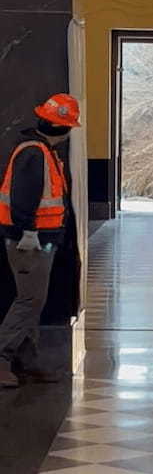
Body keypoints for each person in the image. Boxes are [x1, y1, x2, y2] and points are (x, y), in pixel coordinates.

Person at [0, 94, 81, 387]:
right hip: (28, 242)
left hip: (38, 240)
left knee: (34, 301)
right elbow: (24, 198)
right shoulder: (34, 153)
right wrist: (29, 232)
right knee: (29, 301)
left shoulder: (40, 150)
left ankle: (26, 362)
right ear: (62, 128)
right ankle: (3, 359)